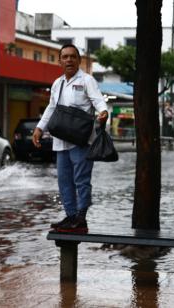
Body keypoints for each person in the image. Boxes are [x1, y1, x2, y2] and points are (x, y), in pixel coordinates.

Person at [33, 44, 108, 232]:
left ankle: (81, 218)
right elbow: (51, 108)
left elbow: (98, 100)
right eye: (65, 57)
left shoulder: (87, 80)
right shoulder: (57, 83)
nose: (69, 60)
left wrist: (103, 111)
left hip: (81, 140)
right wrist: (39, 128)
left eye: (72, 57)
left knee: (81, 179)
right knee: (64, 180)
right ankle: (70, 215)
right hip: (60, 140)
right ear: (59, 61)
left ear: (79, 60)